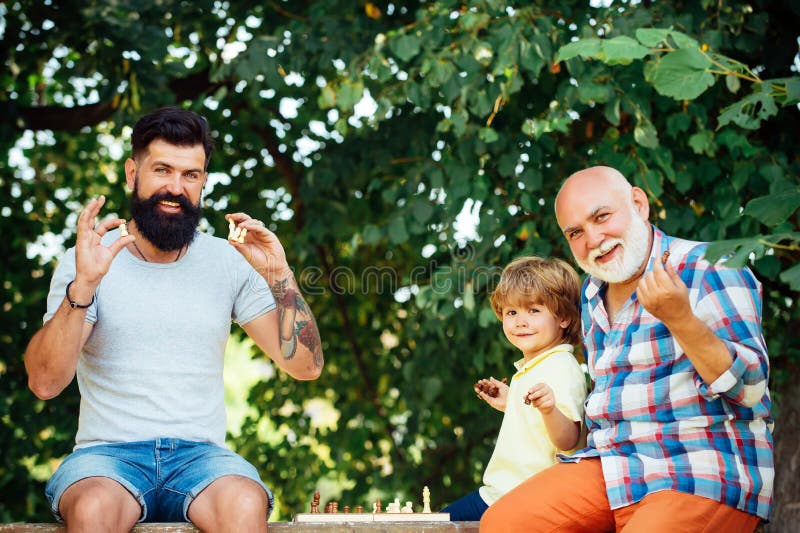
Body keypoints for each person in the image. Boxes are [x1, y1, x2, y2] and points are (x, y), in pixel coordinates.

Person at [24, 106, 324, 532]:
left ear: (203, 181)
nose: (175, 188)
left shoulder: (228, 260)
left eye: (191, 175)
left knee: (244, 500)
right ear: (132, 174)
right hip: (108, 457)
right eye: (162, 170)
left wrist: (280, 276)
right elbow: (45, 382)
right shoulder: (87, 261)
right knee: (92, 509)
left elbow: (306, 366)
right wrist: (84, 286)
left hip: (202, 459)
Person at [481, 166, 773, 532]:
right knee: (503, 523)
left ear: (638, 203)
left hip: (700, 467)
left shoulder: (708, 265)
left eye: (601, 216)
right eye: (575, 232)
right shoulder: (590, 294)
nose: (593, 239)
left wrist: (681, 319)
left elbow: (751, 390)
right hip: (611, 466)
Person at [441, 256, 587, 521]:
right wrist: (511, 401)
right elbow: (535, 424)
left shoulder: (561, 366)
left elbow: (568, 439)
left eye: (533, 311)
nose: (520, 321)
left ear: (564, 317)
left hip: (524, 499)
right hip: (502, 493)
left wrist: (550, 408)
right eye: (512, 312)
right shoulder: (535, 367)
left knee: (430, 526)